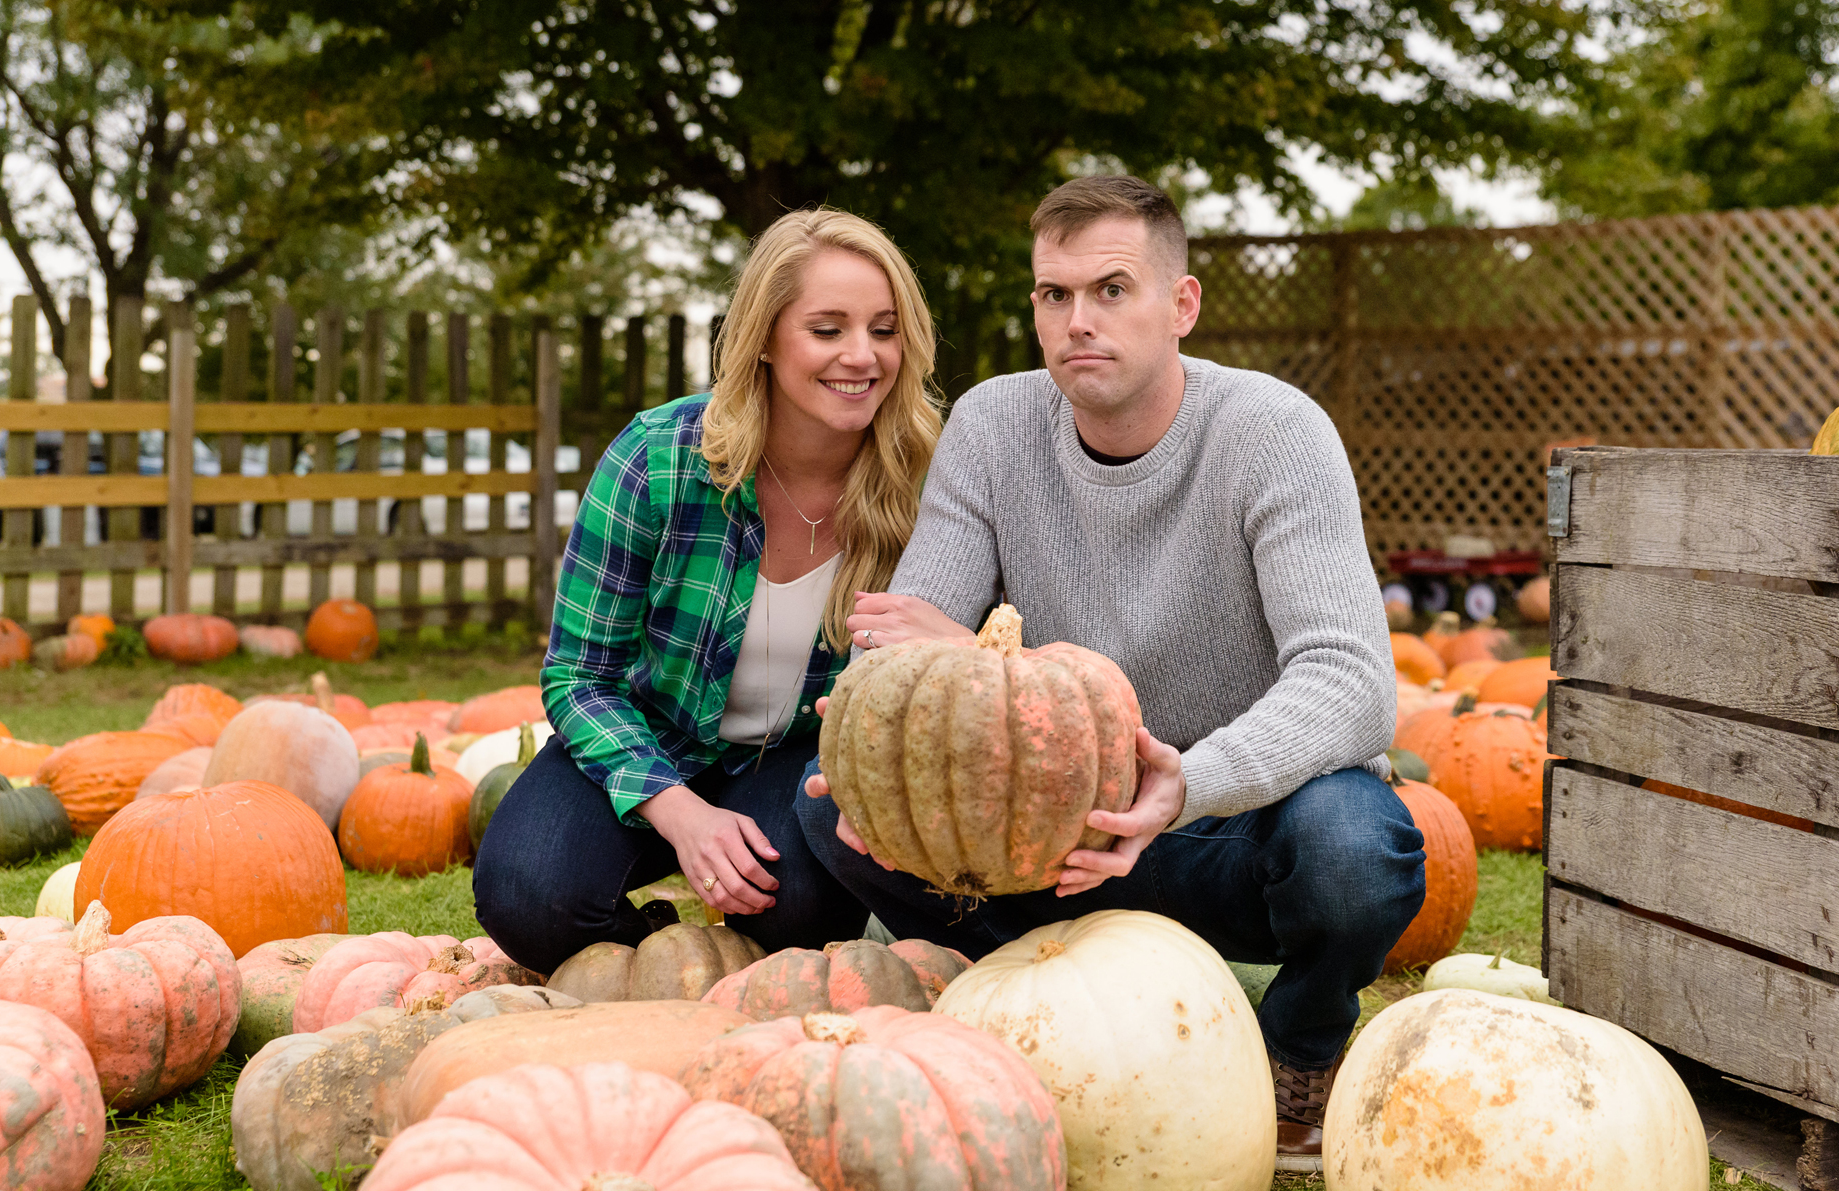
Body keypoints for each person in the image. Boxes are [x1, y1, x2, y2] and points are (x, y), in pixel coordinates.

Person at [796, 175, 1424, 1169]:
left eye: (1110, 290)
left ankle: (1298, 1051)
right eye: (1053, 295)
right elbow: (909, 647)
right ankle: (1018, 1021)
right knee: (825, 808)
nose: (1076, 321)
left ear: (1180, 305)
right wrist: (884, 732)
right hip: (1057, 837)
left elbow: (1349, 682)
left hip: (1226, 823)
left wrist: (1187, 782)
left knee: (1356, 842)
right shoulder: (995, 427)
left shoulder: (1272, 431)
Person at [476, 206, 943, 971]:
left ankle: (737, 953)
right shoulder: (659, 457)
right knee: (530, 894)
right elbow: (578, 676)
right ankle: (665, 958)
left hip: (797, 753)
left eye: (884, 330)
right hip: (648, 729)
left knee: (799, 910)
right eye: (827, 329)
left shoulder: (925, 484)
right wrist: (681, 813)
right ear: (764, 337)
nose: (861, 355)